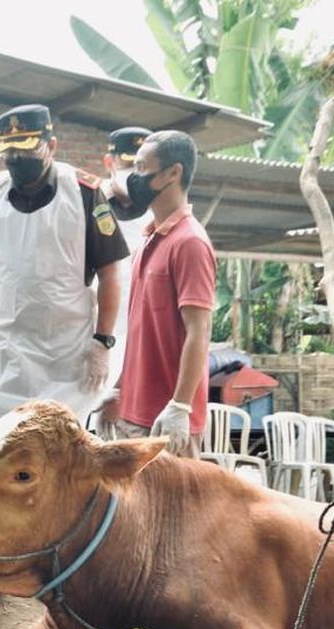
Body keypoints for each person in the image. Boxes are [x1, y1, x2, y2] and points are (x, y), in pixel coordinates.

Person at [0, 104, 128, 467]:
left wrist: (103, 341)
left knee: (55, 457)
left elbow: (110, 273)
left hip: (64, 354)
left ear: (51, 146)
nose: (18, 159)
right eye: (11, 152)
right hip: (0, 351)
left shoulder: (84, 195)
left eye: (27, 148)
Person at [99, 130, 216, 457]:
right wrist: (120, 390)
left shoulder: (189, 242)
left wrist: (180, 405)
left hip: (167, 422)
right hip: (134, 414)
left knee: (173, 510)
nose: (133, 178)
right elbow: (140, 332)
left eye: (141, 168)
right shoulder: (148, 240)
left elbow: (199, 330)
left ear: (173, 173)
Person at [96, 126, 154, 408]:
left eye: (141, 167)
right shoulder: (89, 206)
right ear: (110, 162)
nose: (133, 173)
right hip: (95, 338)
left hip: (143, 341)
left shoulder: (160, 213)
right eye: (127, 164)